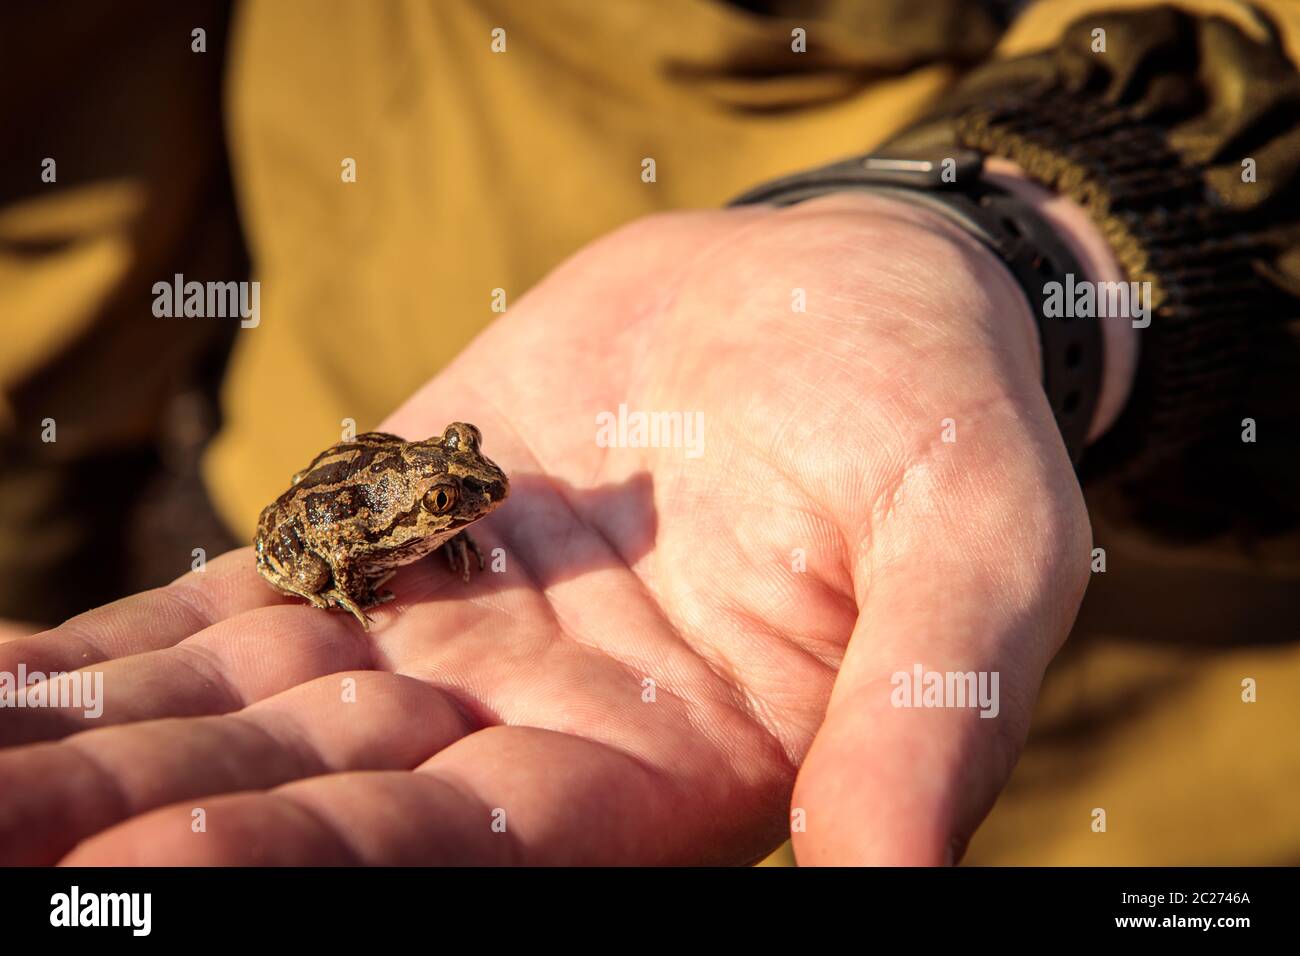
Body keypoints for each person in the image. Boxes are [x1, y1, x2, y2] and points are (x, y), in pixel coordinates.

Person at [0, 0, 1296, 865]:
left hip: (1159, 733)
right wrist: (29, 536)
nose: (476, 495)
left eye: (461, 492)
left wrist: (1051, 232)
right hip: (318, 400)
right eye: (459, 490)